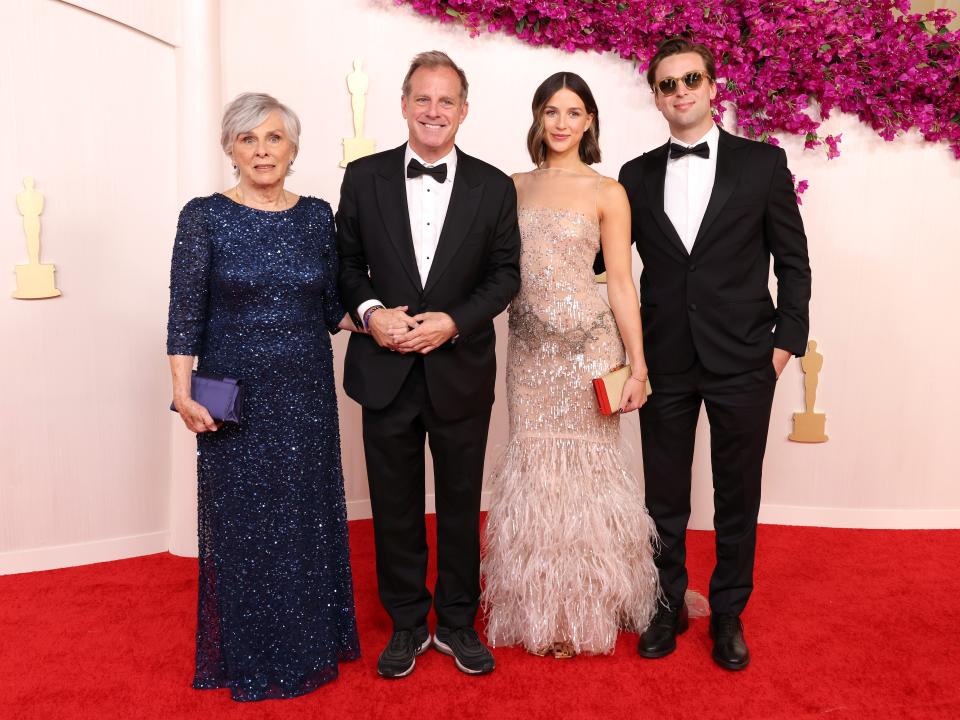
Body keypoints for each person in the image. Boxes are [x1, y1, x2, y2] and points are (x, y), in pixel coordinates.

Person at [615, 38, 812, 670]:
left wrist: (783, 347)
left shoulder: (762, 164)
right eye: (668, 84)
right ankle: (666, 605)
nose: (681, 91)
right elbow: (606, 266)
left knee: (738, 495)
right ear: (656, 97)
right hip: (664, 359)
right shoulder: (635, 175)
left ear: (712, 84)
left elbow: (795, 264)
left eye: (690, 78)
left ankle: (728, 613)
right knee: (663, 498)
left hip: (745, 361)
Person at [167, 92, 360, 701]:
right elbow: (184, 316)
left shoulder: (316, 216)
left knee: (303, 518)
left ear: (294, 148)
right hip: (234, 398)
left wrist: (384, 315)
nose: (262, 151)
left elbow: (333, 308)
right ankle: (251, 651)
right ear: (230, 149)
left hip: (306, 393)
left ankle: (310, 642)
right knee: (245, 526)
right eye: (248, 139)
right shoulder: (203, 216)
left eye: (273, 138)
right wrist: (181, 393)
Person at [336, 50, 521, 679]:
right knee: (393, 504)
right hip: (384, 370)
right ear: (405, 104)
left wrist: (454, 322)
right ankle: (409, 624)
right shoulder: (363, 178)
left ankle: (459, 623)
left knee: (463, 503)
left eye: (446, 100)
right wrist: (369, 312)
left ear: (464, 111)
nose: (433, 110)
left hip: (460, 370)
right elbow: (344, 264)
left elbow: (505, 277)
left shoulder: (494, 187)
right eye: (423, 98)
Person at [481, 72, 660, 658]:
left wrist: (637, 364)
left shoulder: (609, 193)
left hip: (590, 350)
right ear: (538, 118)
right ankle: (540, 608)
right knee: (535, 469)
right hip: (530, 352)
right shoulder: (510, 187)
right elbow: (492, 272)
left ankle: (588, 607)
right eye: (551, 111)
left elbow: (621, 285)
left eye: (573, 112)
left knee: (588, 477)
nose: (561, 122)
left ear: (589, 122)